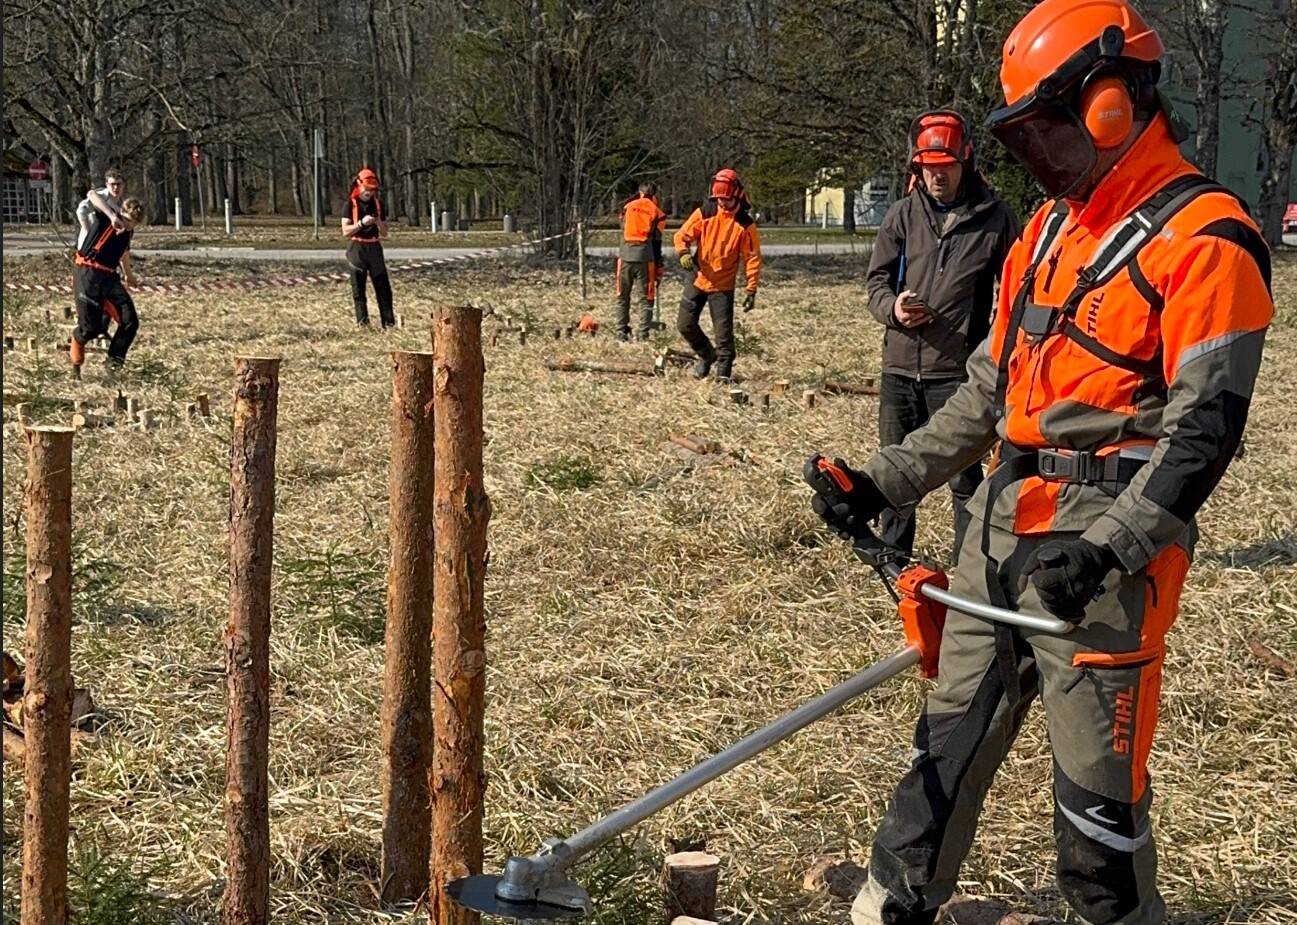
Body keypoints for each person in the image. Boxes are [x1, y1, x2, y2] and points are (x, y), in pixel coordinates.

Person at [807, 2, 1273, 923]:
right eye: (1021, 137)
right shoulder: (1053, 231)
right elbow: (986, 393)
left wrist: (1109, 550)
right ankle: (889, 906)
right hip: (1000, 525)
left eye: (1045, 129)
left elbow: (1201, 436)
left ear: (1110, 103)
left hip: (1100, 556)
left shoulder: (1207, 240)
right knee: (941, 749)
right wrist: (884, 480)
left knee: (1095, 810)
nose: (1038, 156)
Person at [866, 111, 1021, 564]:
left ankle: (967, 565)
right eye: (928, 167)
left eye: (945, 167)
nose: (937, 176)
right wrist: (892, 309)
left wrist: (994, 350)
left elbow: (1017, 292)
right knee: (895, 467)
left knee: (964, 477)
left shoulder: (996, 219)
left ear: (965, 162)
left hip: (957, 373)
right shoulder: (902, 214)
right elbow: (876, 281)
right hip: (898, 367)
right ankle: (893, 560)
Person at [673, 168, 762, 381]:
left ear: (736, 195)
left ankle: (723, 378)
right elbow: (681, 235)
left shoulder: (745, 225)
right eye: (718, 199)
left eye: (725, 199)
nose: (721, 203)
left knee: (724, 338)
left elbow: (752, 258)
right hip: (698, 277)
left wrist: (751, 289)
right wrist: (683, 252)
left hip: (722, 287)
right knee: (684, 324)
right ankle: (705, 355)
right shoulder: (705, 212)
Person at [70, 196, 144, 375]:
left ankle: (113, 364)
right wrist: (112, 216)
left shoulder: (128, 232)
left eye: (132, 223)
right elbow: (91, 194)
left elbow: (124, 252)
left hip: (109, 277)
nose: (126, 225)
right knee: (91, 328)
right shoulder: (106, 217)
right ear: (121, 213)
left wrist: (128, 274)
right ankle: (76, 354)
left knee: (130, 321)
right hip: (88, 272)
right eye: (125, 220)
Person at [341, 167, 395, 328]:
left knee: (383, 287)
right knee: (359, 289)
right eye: (366, 189)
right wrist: (361, 223)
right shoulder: (350, 204)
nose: (369, 193)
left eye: (372, 190)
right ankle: (363, 324)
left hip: (374, 247)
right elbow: (345, 231)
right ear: (358, 184)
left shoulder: (378, 204)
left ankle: (388, 323)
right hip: (357, 247)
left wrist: (378, 222)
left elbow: (385, 232)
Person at [614, 181, 667, 341]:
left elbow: (622, 228)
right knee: (646, 298)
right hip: (646, 258)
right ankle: (643, 334)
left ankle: (620, 332)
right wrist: (659, 268)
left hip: (624, 258)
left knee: (622, 296)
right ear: (655, 195)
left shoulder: (627, 207)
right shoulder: (658, 213)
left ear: (640, 192)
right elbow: (657, 243)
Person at [76, 167, 127, 247]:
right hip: (89, 243)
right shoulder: (101, 196)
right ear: (107, 185)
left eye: (118, 184)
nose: (116, 188)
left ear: (123, 185)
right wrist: (86, 231)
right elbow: (90, 196)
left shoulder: (122, 204)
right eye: (112, 184)